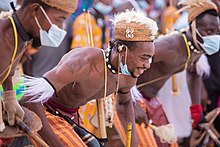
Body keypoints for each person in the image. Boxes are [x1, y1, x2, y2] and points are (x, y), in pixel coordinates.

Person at [20, 10, 158, 147]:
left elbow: (124, 104)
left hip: (73, 117)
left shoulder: (128, 75)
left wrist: (133, 144)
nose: (147, 65)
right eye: (144, 58)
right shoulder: (83, 62)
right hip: (46, 113)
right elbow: (30, 96)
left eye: (150, 58)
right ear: (123, 51)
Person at [135, 0, 219, 146]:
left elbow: (193, 73)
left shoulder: (197, 46)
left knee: (168, 142)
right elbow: (128, 61)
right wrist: (131, 100)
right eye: (209, 31)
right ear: (193, 28)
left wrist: (196, 110)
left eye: (217, 32)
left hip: (151, 100)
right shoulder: (171, 46)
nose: (214, 37)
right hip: (131, 97)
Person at [0, 0, 77, 130]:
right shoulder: (3, 36)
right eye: (59, 20)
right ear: (35, 10)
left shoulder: (22, 39)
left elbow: (7, 71)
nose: (61, 28)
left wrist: (9, 96)